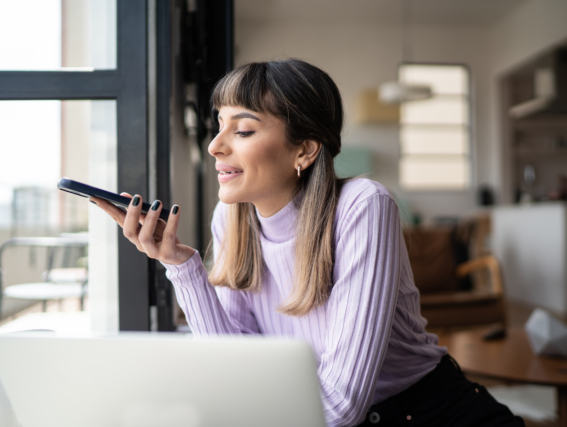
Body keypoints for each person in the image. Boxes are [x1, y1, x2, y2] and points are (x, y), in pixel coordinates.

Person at [92, 59, 524, 427]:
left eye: (242, 131)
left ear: (305, 150)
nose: (214, 146)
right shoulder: (232, 216)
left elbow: (341, 407)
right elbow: (231, 363)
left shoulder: (363, 206)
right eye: (218, 125)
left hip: (430, 414)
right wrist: (182, 265)